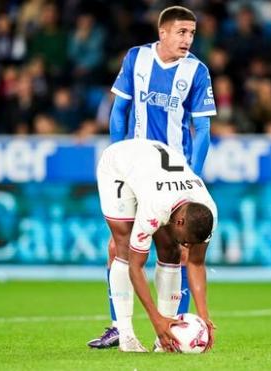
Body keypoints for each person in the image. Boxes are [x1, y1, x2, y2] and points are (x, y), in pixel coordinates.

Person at [88, 5, 216, 349]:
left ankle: (178, 328)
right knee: (119, 245)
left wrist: (193, 175)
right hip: (133, 168)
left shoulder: (197, 71)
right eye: (182, 32)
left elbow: (202, 128)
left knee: (178, 248)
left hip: (173, 170)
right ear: (163, 32)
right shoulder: (136, 58)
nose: (188, 39)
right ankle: (120, 327)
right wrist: (120, 157)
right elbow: (120, 110)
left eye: (192, 33)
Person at [97, 138, 217, 352]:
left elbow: (196, 264)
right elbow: (136, 266)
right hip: (118, 165)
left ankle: (164, 341)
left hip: (153, 171)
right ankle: (126, 336)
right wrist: (156, 319)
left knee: (172, 251)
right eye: (187, 240)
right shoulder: (155, 208)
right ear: (179, 221)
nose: (188, 246)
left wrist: (204, 316)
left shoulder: (208, 210)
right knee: (123, 247)